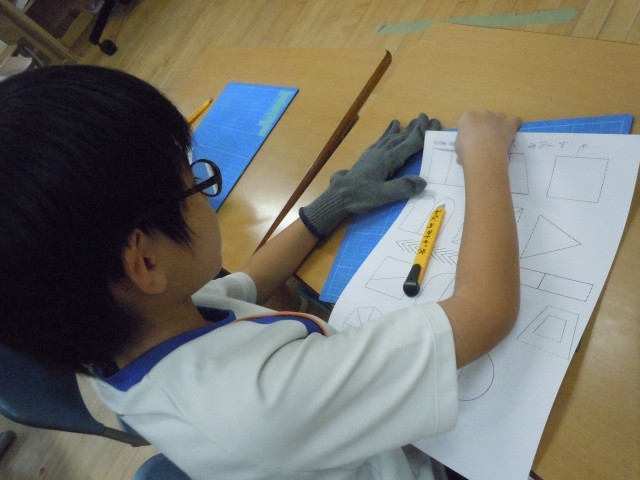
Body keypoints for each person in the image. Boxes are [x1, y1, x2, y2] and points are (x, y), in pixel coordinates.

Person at [0, 65, 520, 480]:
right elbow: (486, 310)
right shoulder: (263, 401)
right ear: (146, 262)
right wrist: (483, 156)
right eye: (194, 184)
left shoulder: (133, 334)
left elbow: (250, 280)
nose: (207, 194)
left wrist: (335, 202)